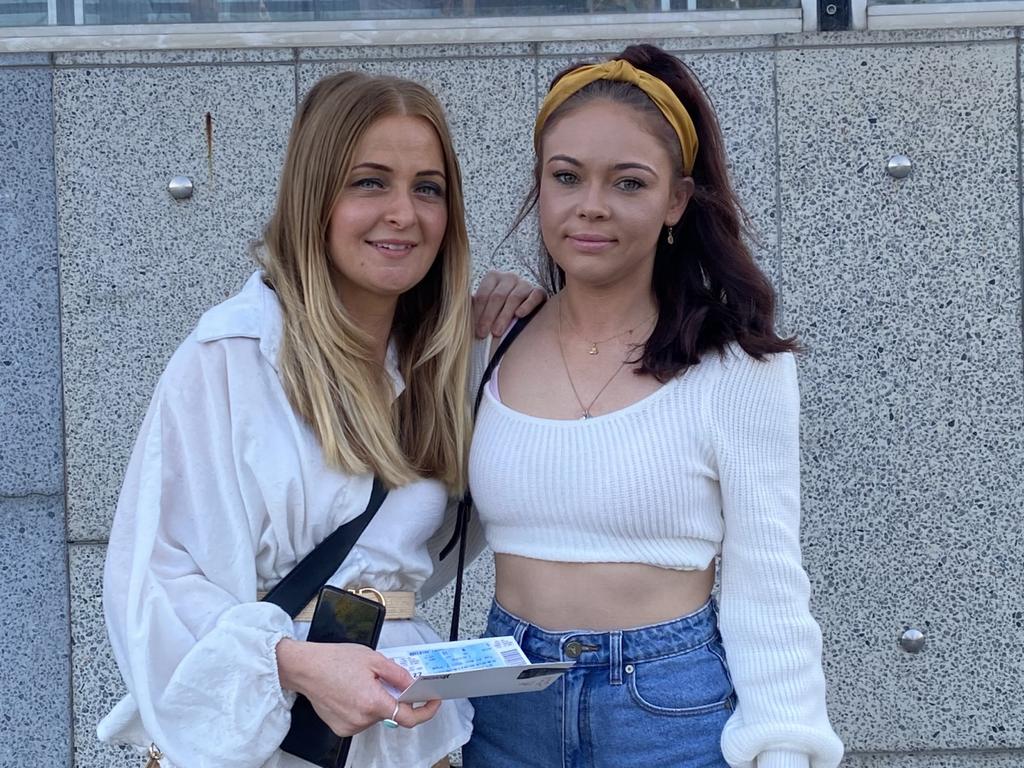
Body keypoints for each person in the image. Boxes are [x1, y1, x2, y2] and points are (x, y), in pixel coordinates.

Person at [96, 70, 543, 768]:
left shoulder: (447, 359)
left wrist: (535, 313)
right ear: (316, 197)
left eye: (428, 188)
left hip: (404, 736)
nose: (404, 212)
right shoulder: (234, 354)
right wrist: (296, 664)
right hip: (264, 735)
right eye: (370, 182)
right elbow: (153, 574)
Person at [461, 44, 844, 768]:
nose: (591, 206)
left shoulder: (734, 365)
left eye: (628, 183)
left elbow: (768, 577)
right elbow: (424, 525)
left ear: (675, 200)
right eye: (566, 176)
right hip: (503, 706)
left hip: (668, 708)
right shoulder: (490, 342)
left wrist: (787, 748)